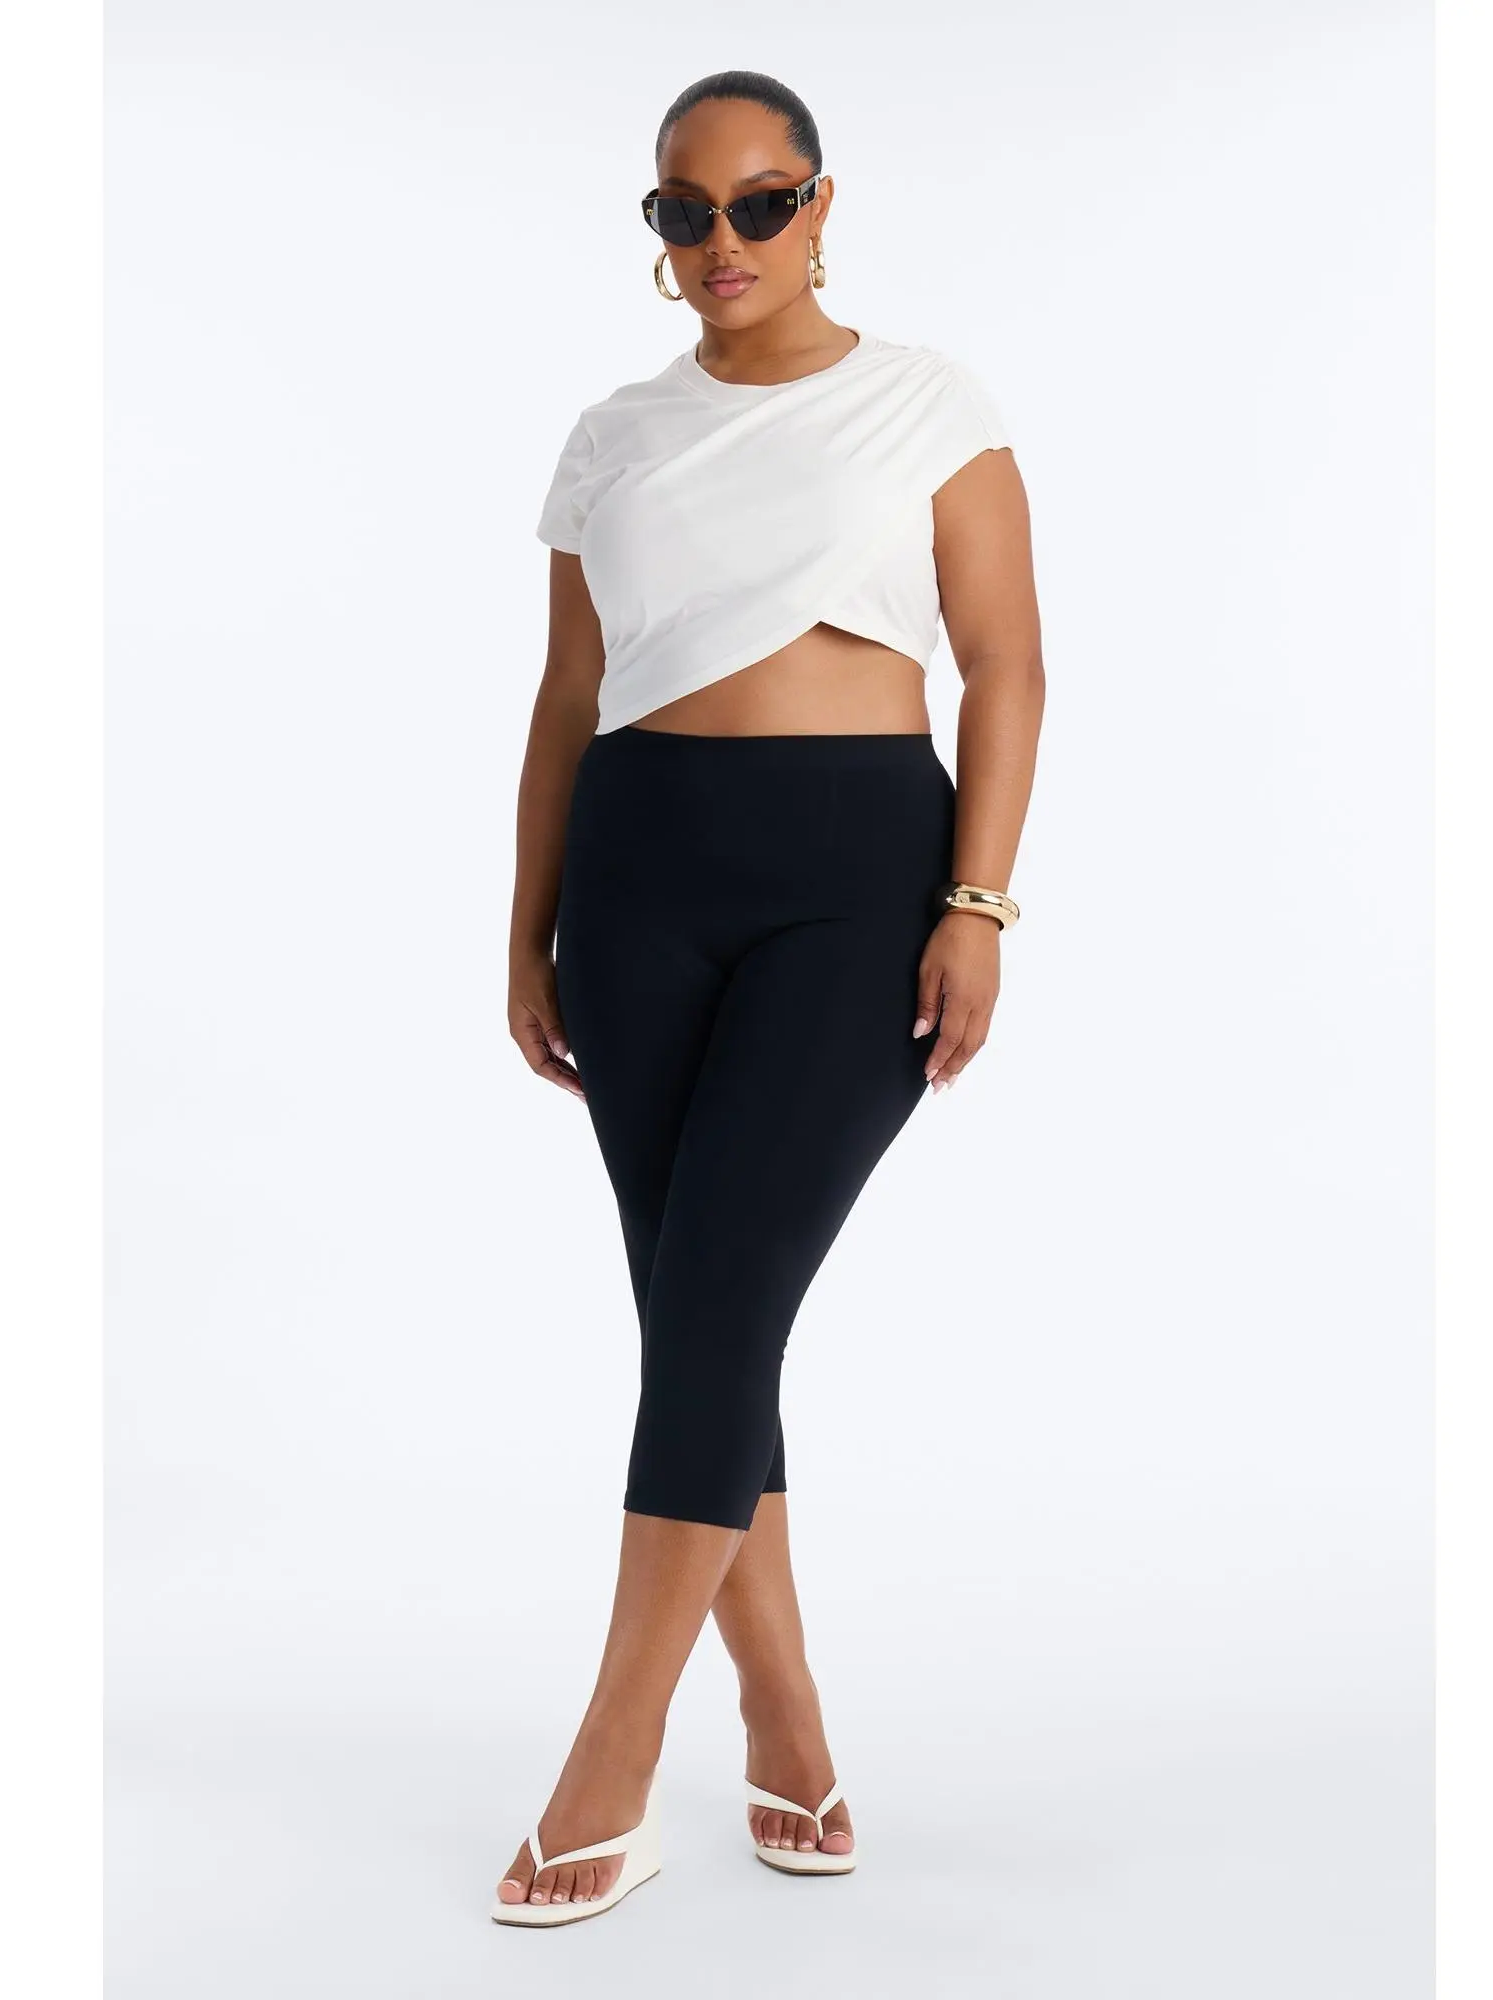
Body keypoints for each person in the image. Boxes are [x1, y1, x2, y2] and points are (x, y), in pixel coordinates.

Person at [494, 69, 1045, 1926]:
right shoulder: (613, 436)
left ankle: (614, 1752)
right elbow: (568, 700)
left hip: (855, 880)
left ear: (820, 204)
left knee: (719, 1304)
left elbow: (1005, 663)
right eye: (684, 210)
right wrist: (526, 930)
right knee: (700, 1322)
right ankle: (786, 1714)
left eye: (757, 201)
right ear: (656, 229)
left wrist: (977, 903)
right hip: (638, 884)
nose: (720, 240)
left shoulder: (928, 401)